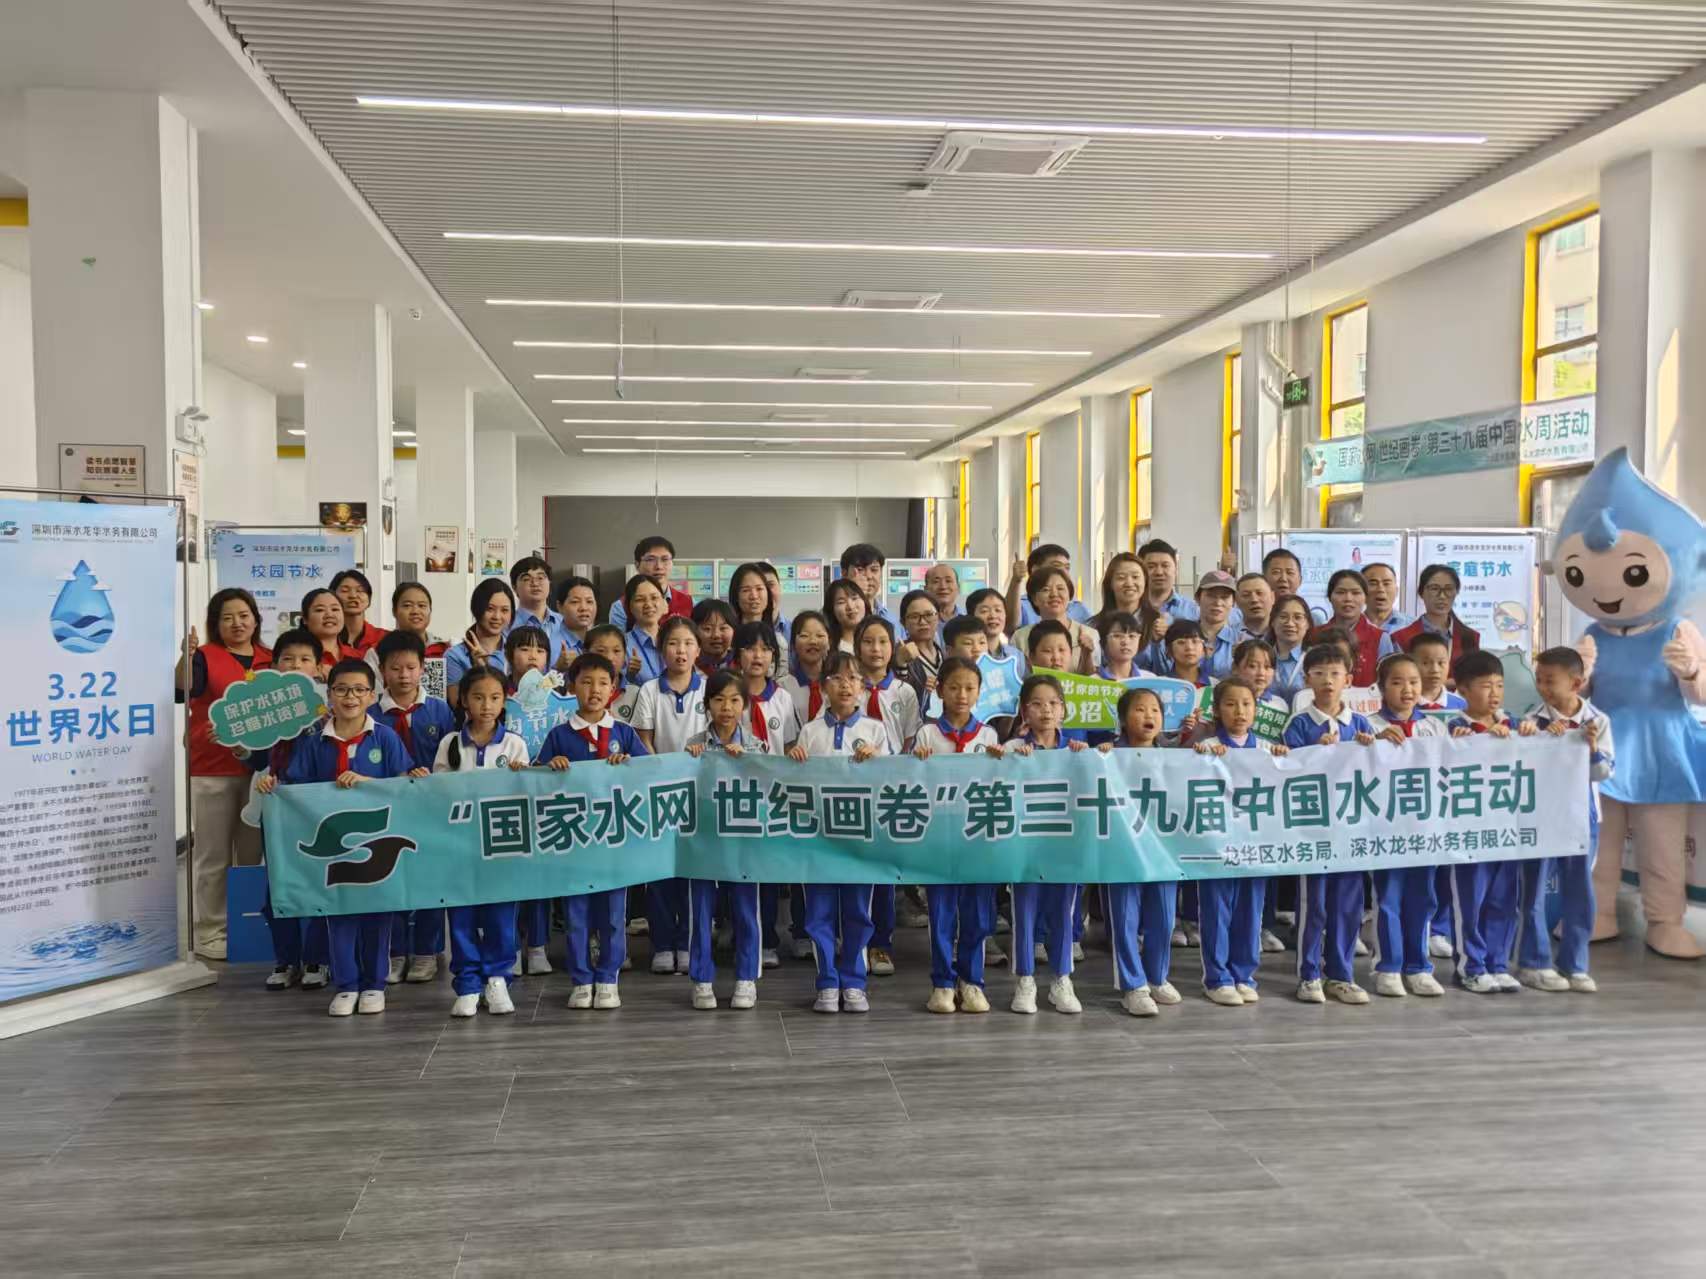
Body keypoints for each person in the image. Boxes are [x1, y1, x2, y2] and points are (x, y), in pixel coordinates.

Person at [256, 659, 411, 1016]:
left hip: (378, 843)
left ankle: (374, 984)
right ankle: (346, 984)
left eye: (359, 690)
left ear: (372, 695)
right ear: (329, 695)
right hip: (332, 849)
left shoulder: (385, 737)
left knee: (377, 914)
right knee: (338, 915)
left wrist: (368, 783)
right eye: (341, 689)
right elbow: (296, 788)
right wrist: (273, 785)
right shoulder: (314, 740)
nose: (350, 697)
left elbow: (405, 786)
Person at [538, 652, 650, 1010]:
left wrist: (628, 765)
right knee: (576, 915)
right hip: (573, 841)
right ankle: (581, 979)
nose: (595, 690)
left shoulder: (624, 733)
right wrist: (550, 766)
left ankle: (608, 978)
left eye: (603, 682)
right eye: (586, 682)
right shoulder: (559, 735)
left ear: (614, 688)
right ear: (573, 687)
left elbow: (649, 776)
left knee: (614, 915)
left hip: (613, 839)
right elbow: (536, 783)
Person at [788, 650, 888, 1013]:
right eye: (837, 679)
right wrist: (795, 759)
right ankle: (828, 982)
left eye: (853, 678)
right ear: (823, 686)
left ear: (863, 687)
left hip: (861, 839)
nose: (845, 686)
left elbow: (893, 781)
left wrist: (877, 759)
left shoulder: (875, 730)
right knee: (819, 913)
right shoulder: (810, 731)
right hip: (818, 838)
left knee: (858, 911)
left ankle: (854, 981)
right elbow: (797, 783)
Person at [176, 587, 272, 960]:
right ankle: (210, 930)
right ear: (215, 623)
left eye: (244, 615)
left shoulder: (270, 659)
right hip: (212, 769)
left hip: (258, 772)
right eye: (227, 617)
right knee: (213, 855)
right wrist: (185, 657)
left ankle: (245, 926)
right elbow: (182, 690)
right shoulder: (204, 657)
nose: (237, 623)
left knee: (251, 855)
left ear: (256, 619)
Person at [434, 665, 530, 1018]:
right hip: (459, 845)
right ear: (464, 701)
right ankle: (468, 983)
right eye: (478, 697)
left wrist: (521, 777)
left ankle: (498, 977)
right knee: (461, 915)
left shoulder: (515, 744)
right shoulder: (449, 743)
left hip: (502, 845)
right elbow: (438, 793)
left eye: (494, 697)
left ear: (505, 701)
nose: (486, 705)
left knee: (500, 914)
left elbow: (526, 796)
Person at [1284, 643, 1376, 1006]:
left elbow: (1376, 771)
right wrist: (1314, 753)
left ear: (1348, 680)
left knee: (1348, 906)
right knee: (1315, 906)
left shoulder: (1361, 724)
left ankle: (1341, 975)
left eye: (1335, 674)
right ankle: (1309, 975)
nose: (1327, 680)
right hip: (1315, 831)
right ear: (1307, 680)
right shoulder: (1300, 723)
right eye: (1319, 673)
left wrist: (1370, 748)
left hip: (1351, 829)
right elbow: (1287, 772)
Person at [1519, 646, 1614, 994]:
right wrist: (1536, 738)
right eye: (1539, 679)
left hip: (1581, 814)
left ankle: (1575, 964)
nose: (1543, 687)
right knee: (1535, 890)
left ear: (1576, 683)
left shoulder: (1597, 721)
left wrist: (1591, 749)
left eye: (1550, 681)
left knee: (1579, 890)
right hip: (1541, 813)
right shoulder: (1531, 720)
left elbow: (1604, 773)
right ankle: (1534, 962)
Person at [912, 656, 1004, 1014]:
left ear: (979, 692)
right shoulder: (927, 735)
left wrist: (1000, 761)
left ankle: (972, 981)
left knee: (978, 914)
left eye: (969, 688)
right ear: (940, 691)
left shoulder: (988, 736)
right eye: (953, 687)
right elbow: (913, 783)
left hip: (977, 837)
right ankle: (942, 983)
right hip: (939, 838)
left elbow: (998, 784)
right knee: (941, 913)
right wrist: (917, 760)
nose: (961, 695)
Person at [1192, 678, 1289, 1006]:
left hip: (1254, 844)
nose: (1239, 711)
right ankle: (1217, 978)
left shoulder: (1266, 749)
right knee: (1217, 909)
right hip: (1217, 846)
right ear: (1218, 710)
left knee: (1251, 910)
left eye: (1246, 704)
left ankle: (1244, 974)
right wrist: (1203, 756)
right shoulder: (1207, 746)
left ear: (1256, 709)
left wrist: (1282, 758)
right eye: (1231, 704)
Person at [1446, 649, 1538, 993]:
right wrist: (1468, 743)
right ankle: (1471, 966)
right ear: (1464, 690)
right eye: (1486, 686)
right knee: (1471, 900)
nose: (1494, 693)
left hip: (1507, 827)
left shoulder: (1512, 723)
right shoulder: (1455, 728)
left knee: (1504, 899)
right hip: (1470, 831)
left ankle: (1498, 963)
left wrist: (1530, 734)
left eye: (1499, 685)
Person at [246, 627, 329, 990]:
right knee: (278, 885)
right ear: (275, 666)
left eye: (305, 659)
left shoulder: (330, 707)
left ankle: (317, 959)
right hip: (278, 809)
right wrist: (242, 749)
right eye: (288, 659)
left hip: (318, 810)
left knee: (319, 883)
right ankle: (286, 960)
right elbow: (257, 759)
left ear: (319, 667)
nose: (296, 665)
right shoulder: (264, 710)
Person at [373, 629, 456, 984]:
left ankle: (426, 951)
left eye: (410, 667)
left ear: (423, 668)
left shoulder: (439, 710)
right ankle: (394, 953)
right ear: (382, 670)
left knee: (429, 880)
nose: (403, 675)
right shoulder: (372, 714)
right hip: (388, 810)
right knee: (389, 878)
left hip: (431, 811)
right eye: (395, 668)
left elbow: (452, 758)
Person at [1365, 653, 1449, 998]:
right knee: (1389, 897)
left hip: (1425, 828)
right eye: (1397, 682)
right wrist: (1373, 744)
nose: (1407, 689)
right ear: (1381, 687)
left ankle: (1418, 966)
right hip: (1386, 828)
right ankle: (1387, 965)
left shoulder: (1435, 727)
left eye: (1414, 682)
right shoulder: (1368, 726)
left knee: (1423, 897)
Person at [1004, 673, 1088, 1014]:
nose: (1046, 710)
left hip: (1065, 846)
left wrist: (1087, 757)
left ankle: (1061, 979)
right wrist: (1011, 761)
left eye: (1053, 703)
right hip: (1024, 847)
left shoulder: (1075, 750)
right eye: (1037, 704)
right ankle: (1025, 979)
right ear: (1025, 711)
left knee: (1063, 913)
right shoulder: (1014, 749)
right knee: (1024, 911)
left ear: (1064, 710)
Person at [1095, 687, 1182, 1014]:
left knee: (1164, 918)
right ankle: (1133, 985)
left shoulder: (1175, 758)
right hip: (1123, 850)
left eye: (1155, 710)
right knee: (1125, 919)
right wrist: (1099, 756)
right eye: (1140, 709)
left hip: (1164, 851)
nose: (1149, 716)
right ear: (1122, 719)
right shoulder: (1108, 754)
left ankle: (1157, 977)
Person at [682, 671, 763, 1011]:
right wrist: (691, 760)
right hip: (703, 842)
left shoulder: (756, 745)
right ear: (707, 705)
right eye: (718, 700)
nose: (726, 707)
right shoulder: (695, 743)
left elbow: (769, 788)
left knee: (746, 910)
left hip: (744, 844)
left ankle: (746, 978)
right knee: (701, 911)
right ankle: (702, 979)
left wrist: (748, 762)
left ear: (744, 705)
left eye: (734, 700)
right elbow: (682, 788)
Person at [631, 616, 705, 975]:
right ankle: (662, 944)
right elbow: (643, 738)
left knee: (692, 870)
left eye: (688, 643)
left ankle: (687, 943)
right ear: (662, 651)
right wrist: (661, 770)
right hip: (659, 791)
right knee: (660, 870)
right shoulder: (649, 690)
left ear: (698, 650)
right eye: (673, 644)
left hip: (699, 793)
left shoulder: (709, 688)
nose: (681, 651)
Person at [503, 625, 558, 976]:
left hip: (546, 795)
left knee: (540, 874)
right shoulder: (498, 697)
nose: (533, 656)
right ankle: (509, 946)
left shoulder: (559, 700)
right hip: (506, 796)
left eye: (540, 650)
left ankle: (537, 945)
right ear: (510, 657)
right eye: (524, 649)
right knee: (508, 875)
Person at [1012, 566, 1099, 672]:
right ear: (1034, 599)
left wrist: (1086, 655)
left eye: (1060, 588)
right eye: (1046, 589)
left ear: (1069, 595)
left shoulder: (1090, 634)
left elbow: (1094, 679)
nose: (1054, 594)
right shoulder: (1020, 637)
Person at [1392, 564, 1481, 668]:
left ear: (1456, 592)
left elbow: (1474, 675)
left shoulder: (1470, 637)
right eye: (1434, 589)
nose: (1442, 596)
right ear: (1421, 593)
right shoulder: (1402, 638)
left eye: (1448, 589)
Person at [444, 578, 514, 708]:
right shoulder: (455, 655)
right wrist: (479, 670)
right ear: (476, 609)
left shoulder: (516, 650)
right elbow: (458, 705)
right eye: (490, 609)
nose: (497, 617)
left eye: (504, 610)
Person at [607, 536, 695, 630]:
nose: (659, 566)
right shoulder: (621, 607)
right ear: (637, 565)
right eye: (650, 560)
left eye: (665, 559)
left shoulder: (690, 603)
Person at [1325, 568, 1394, 686]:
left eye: (1356, 593)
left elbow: (1387, 683)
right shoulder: (1314, 635)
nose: (1348, 598)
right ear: (1329, 597)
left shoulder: (1380, 638)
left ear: (1365, 598)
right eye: (1340, 592)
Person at [1007, 543, 1093, 628]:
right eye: (1056, 566)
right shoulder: (1022, 604)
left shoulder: (1078, 608)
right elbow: (1010, 625)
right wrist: (1016, 581)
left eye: (1067, 568)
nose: (1064, 572)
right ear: (1035, 570)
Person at [508, 556, 569, 670]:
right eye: (526, 579)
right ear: (514, 587)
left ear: (549, 583)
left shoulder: (564, 623)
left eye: (541, 578)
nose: (535, 583)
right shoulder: (507, 624)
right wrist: (556, 669)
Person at [780, 609, 831, 730]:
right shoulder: (782, 687)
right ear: (793, 644)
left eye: (820, 635)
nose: (813, 641)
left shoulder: (836, 683)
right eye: (804, 636)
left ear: (829, 643)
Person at [967, 586, 1027, 678]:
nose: (993, 616)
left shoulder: (1016, 656)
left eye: (998, 610)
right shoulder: (967, 655)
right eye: (984, 611)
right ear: (971, 616)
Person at [621, 574, 669, 686]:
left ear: (664, 602)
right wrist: (630, 675)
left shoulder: (673, 639)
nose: (648, 604)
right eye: (640, 600)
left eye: (654, 598)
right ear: (629, 607)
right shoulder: (622, 645)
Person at [898, 589, 944, 702]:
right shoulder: (899, 656)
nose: (922, 622)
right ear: (903, 622)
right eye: (914, 616)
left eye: (929, 615)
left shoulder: (944, 652)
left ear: (938, 617)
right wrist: (900, 664)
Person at [729, 561, 788, 650]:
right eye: (746, 590)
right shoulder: (728, 638)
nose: (754, 596)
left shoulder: (779, 642)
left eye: (759, 589)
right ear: (736, 595)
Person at [1266, 594, 1312, 705]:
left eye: (1298, 617)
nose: (1290, 623)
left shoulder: (1316, 659)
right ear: (1272, 622)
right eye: (1283, 617)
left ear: (1307, 624)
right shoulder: (1262, 657)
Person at [1138, 538, 1199, 621]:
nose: (1159, 572)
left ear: (1176, 570)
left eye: (1165, 566)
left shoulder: (1193, 611)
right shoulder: (1131, 606)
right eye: (1151, 566)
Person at [300, 587, 357, 676]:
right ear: (305, 619)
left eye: (335, 609)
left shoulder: (358, 656)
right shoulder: (296, 658)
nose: (329, 615)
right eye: (320, 610)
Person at [839, 543, 898, 628]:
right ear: (844, 574)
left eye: (874, 570)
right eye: (860, 570)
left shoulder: (892, 620)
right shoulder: (829, 617)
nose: (869, 576)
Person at [330, 568, 388, 656]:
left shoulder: (384, 638)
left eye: (360, 590)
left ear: (369, 599)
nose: (353, 596)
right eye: (345, 590)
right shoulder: (325, 638)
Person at [555, 574, 598, 665]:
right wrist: (557, 668)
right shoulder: (551, 642)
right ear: (560, 607)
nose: (584, 608)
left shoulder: (598, 641)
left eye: (589, 601)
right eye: (575, 602)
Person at [1097, 552, 1148, 626]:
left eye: (1135, 577)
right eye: (1121, 577)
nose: (1129, 584)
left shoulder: (1158, 625)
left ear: (1145, 581)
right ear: (1110, 583)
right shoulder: (1093, 626)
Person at [825, 577, 871, 655]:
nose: (850, 606)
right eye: (841, 602)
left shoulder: (876, 642)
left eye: (854, 598)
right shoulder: (828, 649)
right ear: (832, 610)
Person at [1097, 611, 1149, 682]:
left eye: (1132, 636)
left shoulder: (1149, 680)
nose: (1126, 642)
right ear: (1104, 641)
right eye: (1117, 636)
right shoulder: (1093, 682)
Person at [692, 597, 738, 674]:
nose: (716, 635)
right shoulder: (688, 666)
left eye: (723, 628)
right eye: (707, 629)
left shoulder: (742, 666)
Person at [1362, 562, 1409, 634]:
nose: (1381, 589)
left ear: (1396, 590)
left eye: (1386, 584)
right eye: (1373, 584)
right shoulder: (1349, 626)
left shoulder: (1413, 626)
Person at [924, 562, 963, 633]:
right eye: (936, 582)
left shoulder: (970, 618)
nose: (943, 587)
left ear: (958, 588)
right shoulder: (918, 621)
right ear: (926, 589)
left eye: (948, 581)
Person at [1235, 572, 1274, 642]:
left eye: (1260, 593)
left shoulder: (1284, 633)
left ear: (1272, 597)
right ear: (1237, 601)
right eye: (1246, 595)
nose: (1254, 600)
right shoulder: (1227, 635)